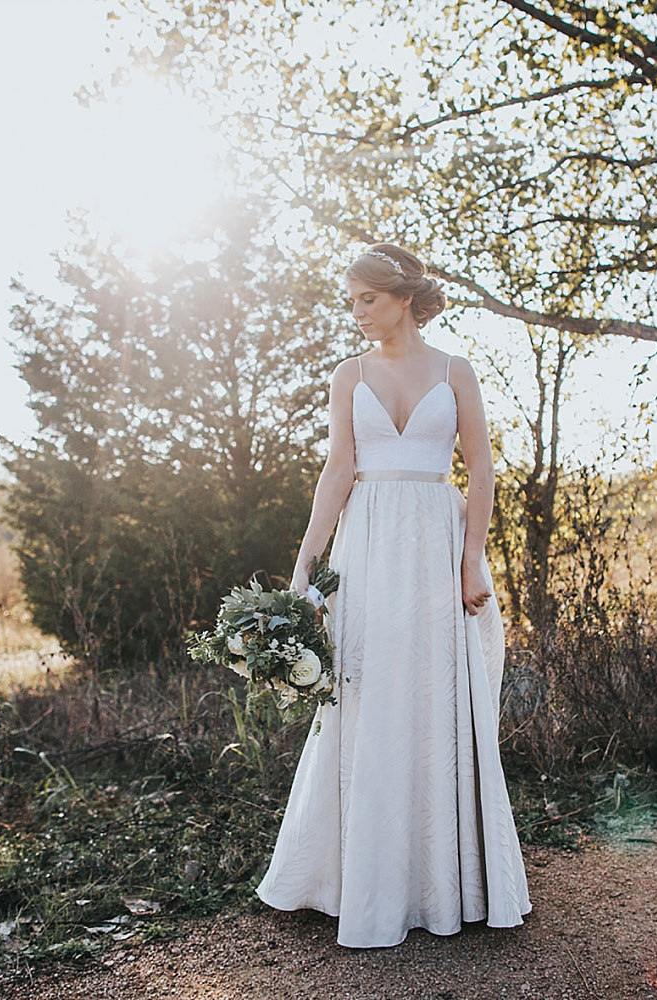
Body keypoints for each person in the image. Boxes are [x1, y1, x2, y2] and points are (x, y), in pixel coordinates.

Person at [254, 242, 533, 948]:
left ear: (403, 296)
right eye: (351, 301)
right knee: (369, 695)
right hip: (370, 544)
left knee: (435, 698)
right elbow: (337, 471)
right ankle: (359, 882)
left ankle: (449, 883)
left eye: (366, 299)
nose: (357, 313)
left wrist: (472, 561)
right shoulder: (349, 375)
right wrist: (307, 562)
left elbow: (480, 468)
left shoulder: (455, 371)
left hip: (437, 542)